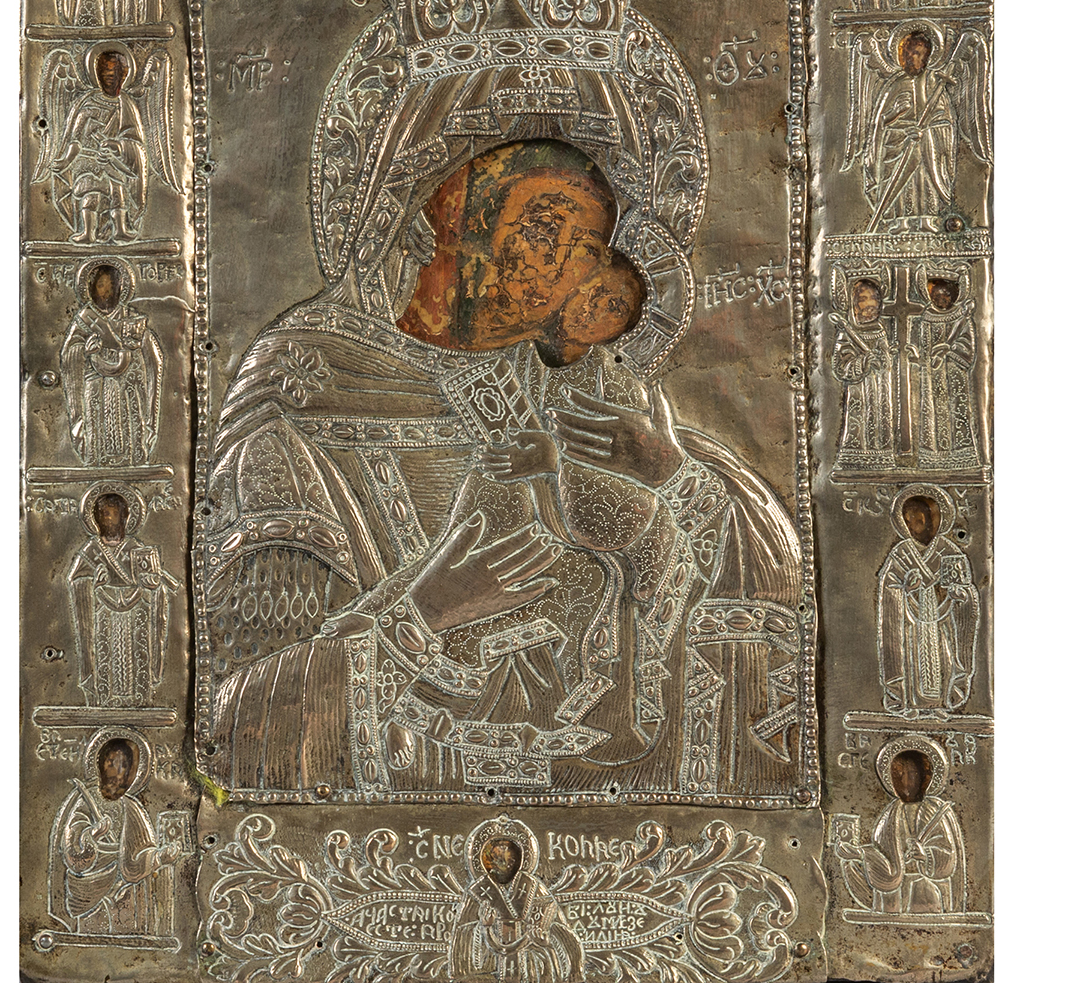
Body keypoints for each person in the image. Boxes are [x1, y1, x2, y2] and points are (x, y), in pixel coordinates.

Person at [201, 140, 805, 799]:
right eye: (545, 236)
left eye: (590, 255)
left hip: (592, 784)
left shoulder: (589, 395)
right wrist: (427, 610)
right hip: (397, 792)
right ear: (444, 220)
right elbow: (230, 722)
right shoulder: (296, 398)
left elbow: (747, 591)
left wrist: (667, 474)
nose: (571, 279)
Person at [50, 736, 178, 935]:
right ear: (101, 765)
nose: (118, 771)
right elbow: (72, 846)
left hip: (123, 888)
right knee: (91, 934)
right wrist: (91, 834)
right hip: (88, 886)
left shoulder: (132, 807)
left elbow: (142, 852)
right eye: (112, 763)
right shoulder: (86, 800)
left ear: (132, 772)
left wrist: (159, 857)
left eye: (124, 765)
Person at [65, 489, 179, 708]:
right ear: (96, 520)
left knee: (137, 661)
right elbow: (76, 581)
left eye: (114, 513)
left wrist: (153, 587)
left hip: (136, 620)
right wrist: (93, 582)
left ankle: (140, 702)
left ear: (125, 517)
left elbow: (155, 585)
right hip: (103, 620)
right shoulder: (91, 551)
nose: (108, 519)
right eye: (103, 514)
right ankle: (101, 701)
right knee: (105, 661)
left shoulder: (137, 549)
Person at [877, 492, 977, 715]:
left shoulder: (949, 552)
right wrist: (907, 587)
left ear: (935, 520)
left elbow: (965, 591)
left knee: (944, 658)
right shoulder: (901, 554)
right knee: (912, 661)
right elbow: (889, 588)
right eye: (908, 521)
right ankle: (909, 704)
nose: (913, 526)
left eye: (919, 520)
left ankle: (943, 703)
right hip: (911, 625)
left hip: (942, 623)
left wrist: (958, 595)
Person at [837, 746, 968, 916]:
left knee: (924, 894)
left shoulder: (935, 811)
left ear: (924, 778)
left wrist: (925, 856)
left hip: (927, 886)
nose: (905, 781)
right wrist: (861, 854)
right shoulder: (890, 814)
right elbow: (881, 853)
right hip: (894, 890)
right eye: (898, 775)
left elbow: (948, 856)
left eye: (912, 775)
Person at [451, 825, 585, 983]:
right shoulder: (477, 891)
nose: (503, 866)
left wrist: (544, 942)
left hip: (531, 968)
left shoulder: (533, 887)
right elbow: (463, 936)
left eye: (509, 861)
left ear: (518, 862)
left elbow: (559, 928)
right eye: (496, 860)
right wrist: (485, 926)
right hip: (492, 969)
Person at [60, 261, 161, 466]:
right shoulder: (84, 320)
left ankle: (133, 462)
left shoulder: (131, 318)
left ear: (121, 289)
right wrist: (86, 350)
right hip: (95, 385)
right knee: (96, 422)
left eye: (111, 286)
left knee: (130, 422)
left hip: (127, 386)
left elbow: (152, 357)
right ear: (91, 288)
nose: (106, 292)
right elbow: (69, 355)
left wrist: (135, 347)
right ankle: (96, 462)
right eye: (100, 286)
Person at [863, 31, 962, 233]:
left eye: (917, 54)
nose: (911, 58)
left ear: (926, 57)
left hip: (927, 141)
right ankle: (901, 222)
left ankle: (927, 219)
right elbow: (879, 123)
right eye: (907, 53)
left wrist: (927, 132)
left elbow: (947, 120)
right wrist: (896, 114)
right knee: (900, 180)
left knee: (923, 178)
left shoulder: (935, 83)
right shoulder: (896, 84)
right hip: (899, 141)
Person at [49, 51, 151, 245]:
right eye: (105, 74)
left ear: (123, 76)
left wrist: (117, 146)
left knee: (118, 190)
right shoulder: (88, 104)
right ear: (97, 75)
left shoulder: (126, 104)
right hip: (89, 159)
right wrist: (66, 160)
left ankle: (120, 229)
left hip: (113, 160)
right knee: (91, 191)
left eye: (114, 74)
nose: (109, 78)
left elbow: (134, 140)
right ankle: (88, 232)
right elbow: (75, 139)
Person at [908, 274, 979, 471]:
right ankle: (932, 457)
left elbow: (968, 348)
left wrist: (951, 350)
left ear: (954, 295)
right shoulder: (927, 317)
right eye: (936, 295)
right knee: (931, 412)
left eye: (946, 294)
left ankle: (960, 456)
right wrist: (918, 357)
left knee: (956, 411)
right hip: (931, 377)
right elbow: (924, 347)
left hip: (954, 375)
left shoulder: (962, 317)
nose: (941, 299)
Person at [831, 277, 898, 471]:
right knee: (859, 427)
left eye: (874, 299)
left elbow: (885, 361)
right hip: (860, 392)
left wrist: (886, 356)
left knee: (882, 424)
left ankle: (883, 458)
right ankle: (855, 459)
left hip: (881, 392)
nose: (871, 305)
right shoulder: (847, 332)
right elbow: (840, 367)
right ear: (854, 305)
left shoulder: (879, 330)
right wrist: (863, 362)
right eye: (863, 299)